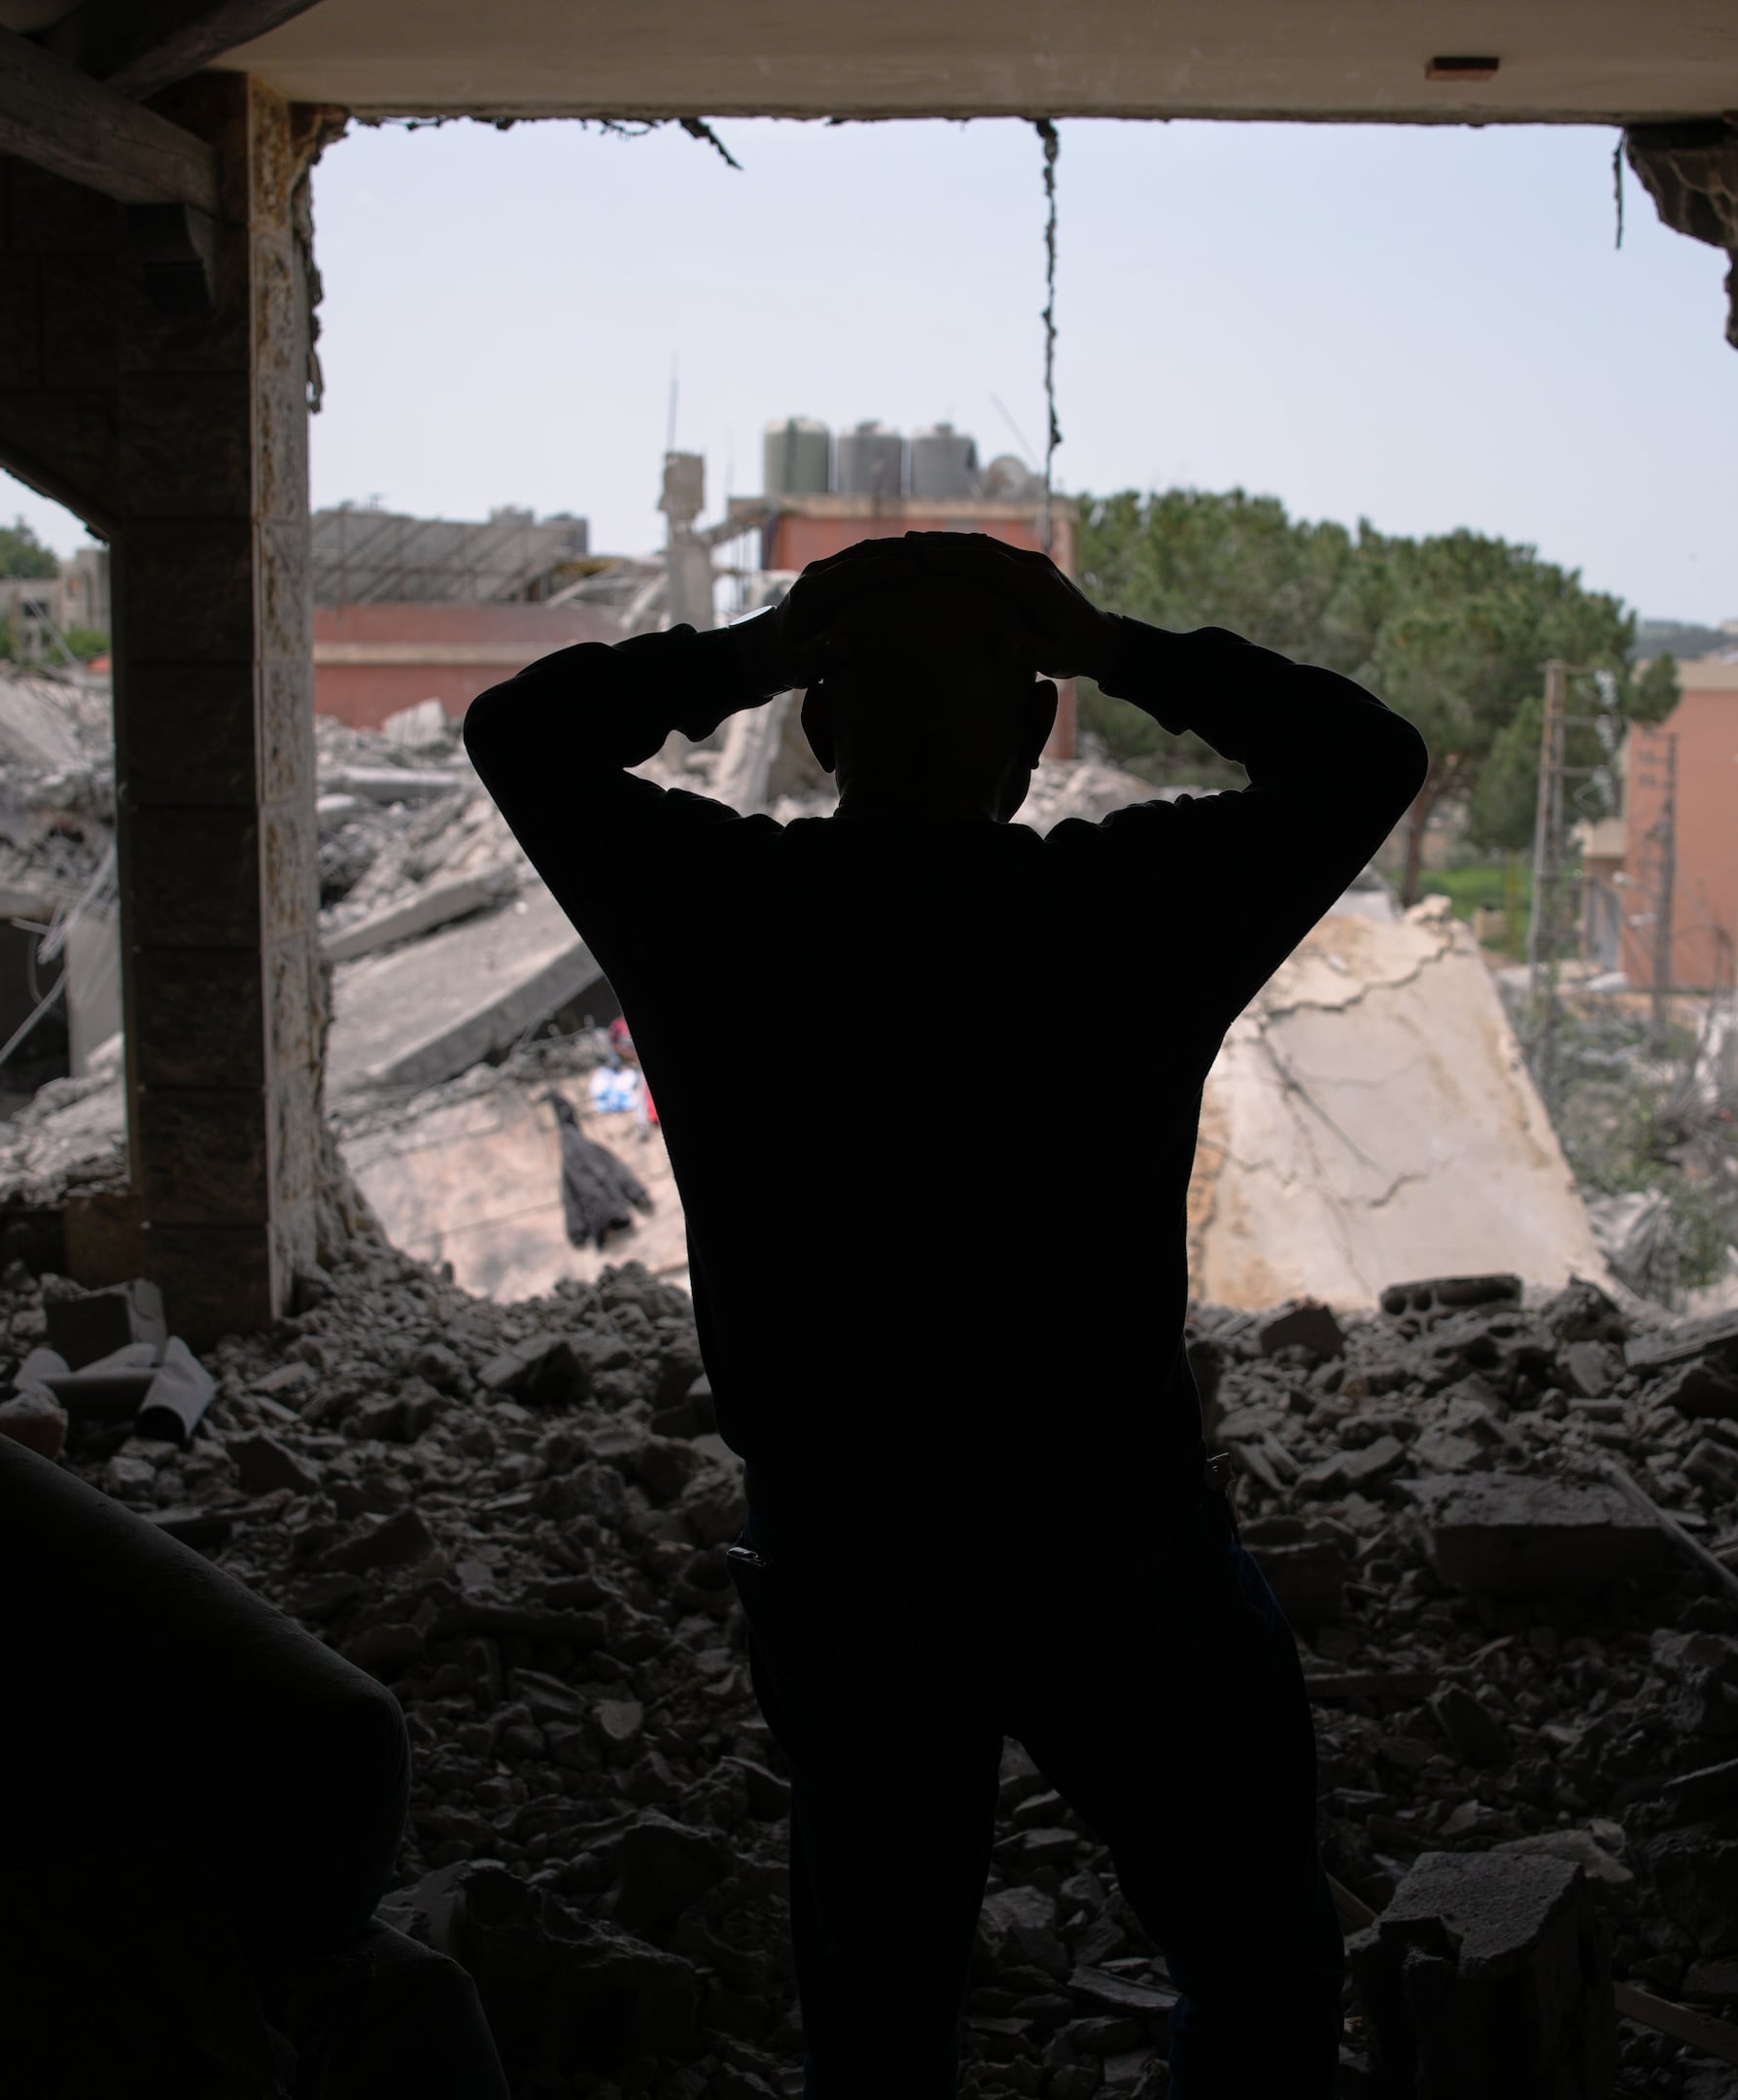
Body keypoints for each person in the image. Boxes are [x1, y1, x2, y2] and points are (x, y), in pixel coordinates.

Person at [467, 534, 1426, 2096]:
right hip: (1112, 1539)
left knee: (882, 2008)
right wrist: (1117, 643)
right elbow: (1364, 753)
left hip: (847, 1559)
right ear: (1036, 737)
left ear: (823, 732)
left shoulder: (714, 913)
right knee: (1253, 1957)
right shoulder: (1126, 916)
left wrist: (750, 656)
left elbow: (517, 733)